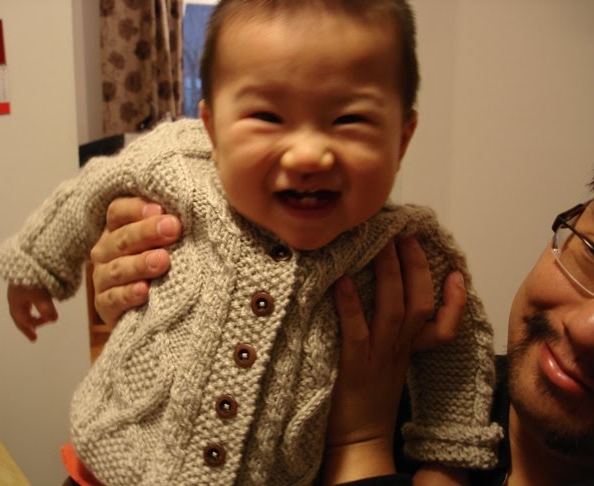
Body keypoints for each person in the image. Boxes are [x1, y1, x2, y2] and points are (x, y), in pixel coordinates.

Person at [0, 1, 501, 484]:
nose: (309, 155)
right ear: (213, 129)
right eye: (268, 117)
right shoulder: (176, 164)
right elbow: (90, 190)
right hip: (110, 464)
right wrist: (37, 266)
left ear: (402, 139)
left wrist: (444, 460)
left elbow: (457, 352)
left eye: (350, 119)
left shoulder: (403, 248)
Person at [87, 186, 594, 486]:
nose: (588, 329)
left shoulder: (392, 400)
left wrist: (361, 444)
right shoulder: (392, 356)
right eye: (592, 254)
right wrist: (161, 314)